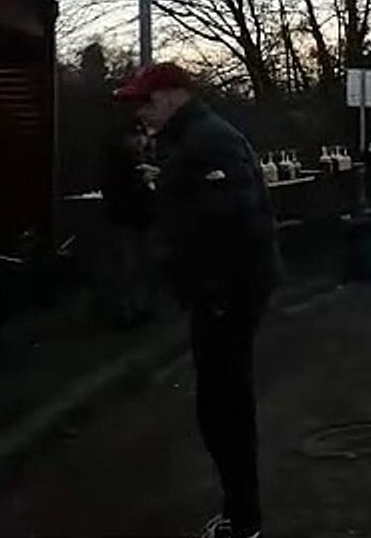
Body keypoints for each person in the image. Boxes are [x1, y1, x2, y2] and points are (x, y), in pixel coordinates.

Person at [116, 63, 278, 538]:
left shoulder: (209, 141)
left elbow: (235, 221)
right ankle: (240, 512)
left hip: (225, 296)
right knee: (219, 404)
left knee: (223, 407)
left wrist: (217, 292)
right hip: (216, 293)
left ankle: (243, 518)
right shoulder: (192, 141)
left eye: (146, 102)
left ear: (172, 96)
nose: (141, 113)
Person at [101, 119, 158, 327]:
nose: (142, 141)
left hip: (138, 219)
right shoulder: (120, 162)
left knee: (139, 265)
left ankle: (138, 307)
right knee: (128, 267)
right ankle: (127, 310)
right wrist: (140, 182)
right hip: (126, 220)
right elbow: (116, 189)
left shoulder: (138, 159)